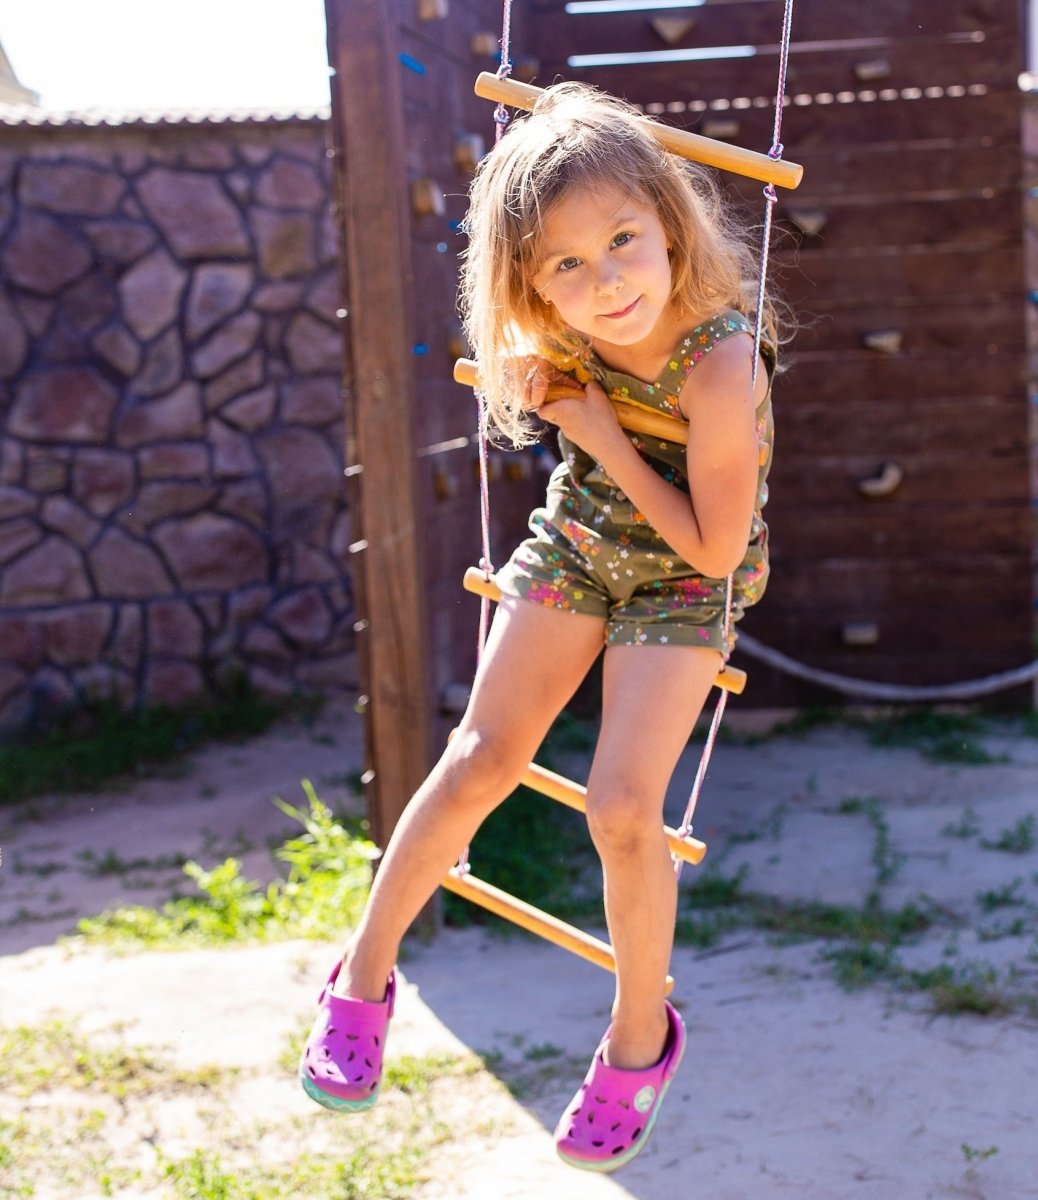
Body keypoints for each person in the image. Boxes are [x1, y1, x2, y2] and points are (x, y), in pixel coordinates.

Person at [299, 81, 780, 1173]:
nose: (605, 280)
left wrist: (601, 432)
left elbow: (709, 549)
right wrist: (572, 405)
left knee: (620, 808)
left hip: (687, 580)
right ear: (530, 285)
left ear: (668, 224)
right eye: (566, 265)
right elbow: (576, 441)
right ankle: (360, 976)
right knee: (478, 757)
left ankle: (638, 1039)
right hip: (581, 546)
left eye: (622, 241)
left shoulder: (720, 361)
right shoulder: (570, 343)